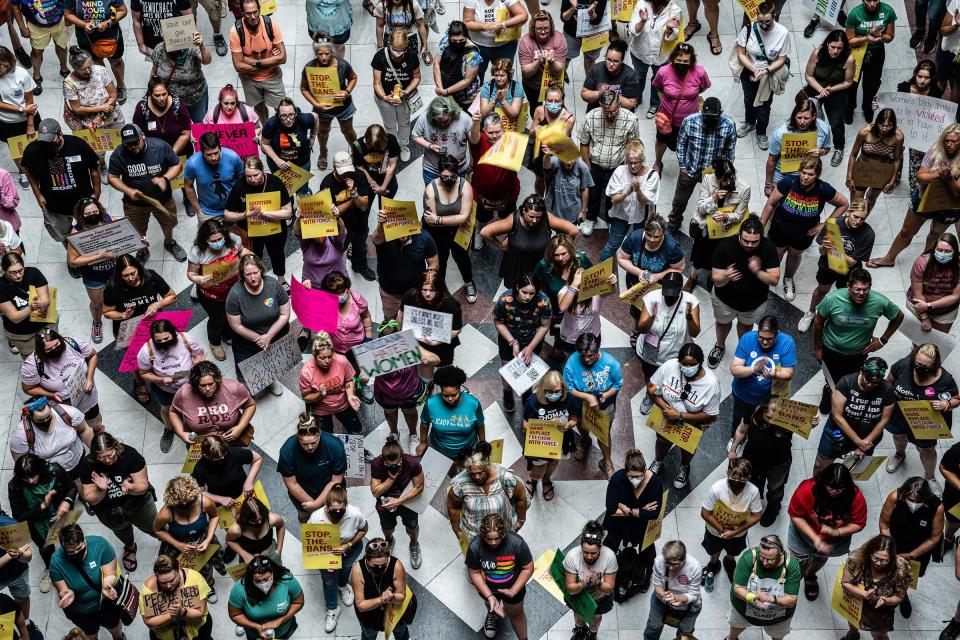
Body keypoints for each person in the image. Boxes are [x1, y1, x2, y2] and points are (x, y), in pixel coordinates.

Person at [812, 268, 904, 414]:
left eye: (865, 290)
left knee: (853, 379)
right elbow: (818, 322)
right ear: (848, 286)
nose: (861, 293)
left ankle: (845, 396)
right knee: (831, 377)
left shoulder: (879, 302)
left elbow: (898, 316)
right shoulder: (832, 299)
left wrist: (882, 340)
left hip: (858, 353)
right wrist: (817, 347)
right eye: (857, 289)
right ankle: (829, 392)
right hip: (831, 349)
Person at [869, 124, 960, 268]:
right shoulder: (936, 150)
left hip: (950, 205)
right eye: (947, 140)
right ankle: (889, 258)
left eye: (954, 141)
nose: (949, 144)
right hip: (925, 198)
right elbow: (920, 176)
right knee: (906, 231)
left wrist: (949, 178)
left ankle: (925, 262)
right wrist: (937, 173)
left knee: (935, 233)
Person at [760, 156, 849, 302]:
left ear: (817, 175)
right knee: (776, 253)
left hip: (804, 233)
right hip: (780, 228)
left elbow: (843, 204)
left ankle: (788, 279)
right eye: (803, 172)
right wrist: (761, 224)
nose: (806, 177)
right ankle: (768, 279)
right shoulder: (788, 182)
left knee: (794, 255)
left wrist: (824, 225)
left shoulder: (822, 188)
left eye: (810, 174)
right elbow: (771, 203)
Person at [707, 216, 780, 369]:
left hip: (754, 302)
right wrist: (727, 275)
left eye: (754, 242)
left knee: (746, 326)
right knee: (722, 322)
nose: (749, 245)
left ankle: (743, 348)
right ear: (740, 234)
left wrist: (758, 271)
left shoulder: (768, 247)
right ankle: (720, 346)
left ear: (761, 237)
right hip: (724, 300)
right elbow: (716, 279)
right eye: (745, 240)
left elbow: (774, 280)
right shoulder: (725, 245)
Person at [884, 344, 959, 492]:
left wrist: (946, 404)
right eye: (917, 363)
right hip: (899, 415)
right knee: (899, 437)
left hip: (925, 421)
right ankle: (899, 455)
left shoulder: (945, 379)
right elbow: (888, 382)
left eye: (925, 366)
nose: (919, 367)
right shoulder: (903, 365)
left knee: (927, 450)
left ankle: (930, 476)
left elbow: (957, 399)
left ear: (935, 364)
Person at [787, 463, 866, 601]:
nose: (834, 491)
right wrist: (815, 538)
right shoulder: (807, 489)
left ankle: (810, 575)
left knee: (820, 558)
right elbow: (795, 514)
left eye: (839, 489)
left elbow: (859, 523)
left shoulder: (855, 497)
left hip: (834, 540)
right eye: (830, 487)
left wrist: (837, 532)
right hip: (803, 534)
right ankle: (793, 578)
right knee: (797, 560)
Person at [108, 123, 187, 262]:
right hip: (135, 204)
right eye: (128, 144)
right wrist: (128, 190)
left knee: (168, 223)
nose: (132, 147)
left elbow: (176, 164)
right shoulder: (119, 154)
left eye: (135, 142)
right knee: (136, 230)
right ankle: (142, 250)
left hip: (163, 199)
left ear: (142, 136)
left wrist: (165, 178)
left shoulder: (159, 146)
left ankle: (169, 243)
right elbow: (112, 177)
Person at [647, 343, 720, 489]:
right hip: (666, 416)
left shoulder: (711, 384)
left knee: (687, 447)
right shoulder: (669, 366)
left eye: (692, 364)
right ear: (678, 361)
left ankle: (684, 467)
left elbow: (709, 414)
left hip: (692, 423)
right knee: (661, 440)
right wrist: (663, 406)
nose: (687, 367)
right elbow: (652, 387)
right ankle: (658, 460)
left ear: (700, 362)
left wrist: (680, 416)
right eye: (684, 364)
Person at [798, 200, 875, 332]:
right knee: (821, 289)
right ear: (848, 212)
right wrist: (825, 246)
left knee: (846, 294)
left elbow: (851, 262)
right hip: (827, 265)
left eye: (862, 219)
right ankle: (810, 313)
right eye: (855, 216)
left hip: (850, 272)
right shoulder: (833, 224)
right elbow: (821, 251)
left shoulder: (868, 234)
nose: (858, 221)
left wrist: (833, 249)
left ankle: (836, 319)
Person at [21, 119, 100, 248]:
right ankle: (72, 254)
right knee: (63, 236)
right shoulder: (32, 150)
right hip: (54, 205)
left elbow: (94, 168)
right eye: (44, 140)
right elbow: (30, 172)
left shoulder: (78, 145)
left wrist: (96, 192)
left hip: (82, 202)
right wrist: (38, 194)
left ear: (60, 134)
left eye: (51, 139)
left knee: (90, 231)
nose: (47, 144)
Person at [731, 399, 807, 527]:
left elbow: (806, 424)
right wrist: (733, 449)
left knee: (775, 488)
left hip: (778, 461)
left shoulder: (789, 417)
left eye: (776, 417)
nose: (773, 421)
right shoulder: (752, 411)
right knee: (749, 482)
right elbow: (741, 430)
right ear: (762, 411)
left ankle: (773, 509)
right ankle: (751, 502)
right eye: (769, 417)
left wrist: (812, 423)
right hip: (752, 457)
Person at [814, 357, 895, 475]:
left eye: (875, 383)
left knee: (856, 470)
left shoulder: (887, 390)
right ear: (862, 371)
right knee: (820, 465)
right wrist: (859, 442)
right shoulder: (846, 383)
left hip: (868, 438)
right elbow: (838, 416)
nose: (870, 385)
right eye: (867, 380)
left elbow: (883, 421)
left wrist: (864, 444)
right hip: (837, 432)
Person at [667, 95, 736, 233]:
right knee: (679, 201)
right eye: (707, 117)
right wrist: (682, 165)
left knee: (714, 201)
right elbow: (680, 143)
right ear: (702, 111)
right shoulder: (689, 121)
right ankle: (674, 222)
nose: (710, 121)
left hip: (714, 173)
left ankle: (708, 228)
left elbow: (730, 150)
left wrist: (725, 173)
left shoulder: (729, 125)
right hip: (691, 169)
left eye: (714, 118)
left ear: (721, 112)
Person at [878, 476, 944, 618]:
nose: (913, 503)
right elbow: (884, 524)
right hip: (893, 543)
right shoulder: (896, 497)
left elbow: (934, 538)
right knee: (886, 568)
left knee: (908, 575)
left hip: (918, 551)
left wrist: (910, 555)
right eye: (910, 499)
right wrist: (891, 549)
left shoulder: (936, 508)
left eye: (917, 501)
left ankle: (903, 594)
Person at [481, 194, 578, 288]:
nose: (534, 221)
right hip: (518, 263)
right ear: (524, 211)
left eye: (538, 217)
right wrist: (500, 245)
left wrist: (560, 245)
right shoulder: (513, 220)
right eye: (531, 217)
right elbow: (485, 232)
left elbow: (573, 230)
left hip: (540, 261)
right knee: (518, 289)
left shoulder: (547, 218)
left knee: (540, 287)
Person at [307, 484, 369, 633]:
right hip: (326, 552)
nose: (338, 513)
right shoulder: (316, 518)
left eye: (341, 509)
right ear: (327, 506)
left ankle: (343, 585)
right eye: (334, 510)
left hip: (350, 549)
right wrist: (323, 560)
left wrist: (348, 544)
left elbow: (364, 529)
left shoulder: (354, 514)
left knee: (346, 568)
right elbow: (310, 542)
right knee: (328, 580)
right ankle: (332, 609)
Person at [577, 90, 640, 235]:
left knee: (613, 195)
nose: (609, 115)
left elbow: (632, 145)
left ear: (619, 104)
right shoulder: (591, 117)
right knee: (593, 193)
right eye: (606, 111)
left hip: (617, 165)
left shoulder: (630, 120)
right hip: (595, 164)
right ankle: (591, 218)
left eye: (613, 111)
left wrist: (626, 168)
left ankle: (611, 220)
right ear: (600, 106)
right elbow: (584, 143)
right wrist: (587, 166)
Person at [187, 219, 251, 361]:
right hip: (211, 295)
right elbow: (191, 273)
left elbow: (242, 251)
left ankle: (228, 335)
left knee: (232, 313)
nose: (217, 243)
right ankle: (215, 342)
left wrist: (249, 257)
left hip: (233, 288)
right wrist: (198, 279)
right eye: (213, 240)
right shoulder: (198, 252)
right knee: (217, 319)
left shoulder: (233, 240)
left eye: (219, 239)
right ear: (205, 240)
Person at [190, 436, 264, 559]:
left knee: (253, 520)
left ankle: (255, 540)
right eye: (218, 458)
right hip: (222, 503)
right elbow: (199, 491)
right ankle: (233, 544)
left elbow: (257, 459)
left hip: (244, 495)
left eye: (224, 454)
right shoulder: (201, 467)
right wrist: (220, 499)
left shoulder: (234, 453)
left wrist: (249, 481)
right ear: (206, 455)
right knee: (230, 527)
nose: (223, 458)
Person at [8, 452, 73, 591]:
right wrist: (43, 506)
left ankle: (72, 560)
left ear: (40, 469)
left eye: (33, 475)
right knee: (45, 547)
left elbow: (71, 487)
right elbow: (19, 516)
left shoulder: (54, 471)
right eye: (26, 478)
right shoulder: (15, 486)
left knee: (68, 538)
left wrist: (67, 501)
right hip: (36, 524)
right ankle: (51, 568)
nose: (31, 481)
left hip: (61, 516)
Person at [137, 319, 205, 452]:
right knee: (167, 410)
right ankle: (169, 429)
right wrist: (160, 379)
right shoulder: (146, 351)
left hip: (191, 385)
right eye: (159, 340)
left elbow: (199, 354)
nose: (163, 342)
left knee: (196, 407)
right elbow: (143, 373)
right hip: (165, 389)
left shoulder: (186, 339)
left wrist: (198, 362)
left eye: (166, 338)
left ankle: (197, 429)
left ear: (174, 333)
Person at [226, 254, 290, 393]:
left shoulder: (273, 285)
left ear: (261, 270)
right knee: (244, 370)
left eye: (255, 273)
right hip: (246, 341)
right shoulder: (235, 295)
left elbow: (285, 314)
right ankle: (246, 392)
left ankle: (271, 380)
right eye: (248, 274)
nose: (253, 277)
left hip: (274, 335)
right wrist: (259, 339)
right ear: (242, 275)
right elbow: (235, 325)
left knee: (271, 360)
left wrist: (268, 336)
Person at [604, 449, 663, 598]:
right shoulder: (617, 479)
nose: (635, 480)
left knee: (648, 551)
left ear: (645, 471)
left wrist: (628, 510)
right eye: (631, 477)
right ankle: (606, 570)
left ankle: (646, 575)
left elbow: (654, 513)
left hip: (643, 526)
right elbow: (611, 508)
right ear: (625, 472)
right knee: (611, 544)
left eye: (639, 477)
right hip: (619, 524)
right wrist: (639, 511)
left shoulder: (655, 482)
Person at [686, 158, 750, 293]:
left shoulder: (744, 188)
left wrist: (727, 216)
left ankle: (712, 277)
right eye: (724, 180)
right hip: (707, 227)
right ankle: (693, 278)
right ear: (717, 177)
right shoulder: (708, 180)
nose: (728, 182)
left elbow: (739, 215)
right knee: (699, 257)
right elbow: (701, 209)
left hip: (727, 230)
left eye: (731, 178)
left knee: (720, 258)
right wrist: (713, 198)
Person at [466, 513, 534, 640]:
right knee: (490, 604)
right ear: (482, 535)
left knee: (516, 614)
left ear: (503, 533)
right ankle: (492, 614)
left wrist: (513, 591)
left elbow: (528, 568)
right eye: (488, 539)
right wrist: (489, 596)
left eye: (497, 538)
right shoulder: (475, 547)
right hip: (488, 588)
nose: (493, 543)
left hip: (514, 586)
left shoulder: (516, 543)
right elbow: (474, 573)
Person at [21, 328, 103, 434]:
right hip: (63, 408)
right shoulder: (32, 365)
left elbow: (92, 355)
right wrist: (51, 394)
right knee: (72, 429)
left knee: (95, 421)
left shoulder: (73, 343)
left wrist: (89, 378)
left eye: (57, 345)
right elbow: (28, 388)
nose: (55, 349)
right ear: (41, 351)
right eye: (49, 349)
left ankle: (99, 434)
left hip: (87, 398)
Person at [49, 524, 123, 640]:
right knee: (90, 633)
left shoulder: (99, 545)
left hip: (106, 601)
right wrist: (68, 593)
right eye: (71, 552)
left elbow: (110, 573)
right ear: (64, 549)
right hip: (81, 610)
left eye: (79, 548)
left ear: (84, 541)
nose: (76, 553)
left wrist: (106, 584)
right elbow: (62, 589)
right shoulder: (56, 561)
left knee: (114, 624)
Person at [152, 475, 221, 599]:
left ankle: (208, 586)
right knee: (176, 569)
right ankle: (181, 587)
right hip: (176, 543)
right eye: (180, 505)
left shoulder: (204, 502)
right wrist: (178, 544)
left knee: (206, 566)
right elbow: (157, 530)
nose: (185, 506)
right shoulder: (166, 512)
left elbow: (214, 517)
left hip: (202, 538)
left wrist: (208, 539)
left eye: (189, 503)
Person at [734, 2, 791, 151]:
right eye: (760, 21)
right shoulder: (747, 29)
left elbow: (781, 59)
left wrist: (765, 71)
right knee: (749, 99)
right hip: (750, 70)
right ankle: (749, 122)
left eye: (768, 21)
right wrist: (753, 69)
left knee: (764, 105)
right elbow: (740, 54)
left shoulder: (782, 32)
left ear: (774, 16)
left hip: (768, 73)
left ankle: (761, 132)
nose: (764, 25)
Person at [563, 334, 622, 477]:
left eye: (590, 356)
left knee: (603, 433)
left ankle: (607, 462)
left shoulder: (611, 363)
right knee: (582, 425)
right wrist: (588, 397)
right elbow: (569, 387)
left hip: (603, 404)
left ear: (597, 350)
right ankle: (585, 441)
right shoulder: (572, 362)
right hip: (579, 402)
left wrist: (604, 396)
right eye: (583, 356)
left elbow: (617, 384)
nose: (587, 360)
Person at [132, 76, 194, 212]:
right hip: (154, 153)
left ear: (168, 92)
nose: (161, 98)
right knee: (158, 178)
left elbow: (186, 132)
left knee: (182, 175)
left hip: (179, 148)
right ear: (150, 94)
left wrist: (170, 153)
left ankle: (187, 197)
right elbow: (138, 133)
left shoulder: (177, 105)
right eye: (157, 95)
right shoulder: (142, 108)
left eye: (164, 94)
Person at [700, 458, 763, 588]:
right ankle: (713, 564)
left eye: (742, 480)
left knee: (733, 552)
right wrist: (722, 531)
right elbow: (705, 513)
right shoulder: (716, 489)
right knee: (713, 550)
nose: (737, 483)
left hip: (738, 533)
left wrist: (734, 532)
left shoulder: (753, 492)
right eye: (734, 478)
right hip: (714, 530)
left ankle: (729, 562)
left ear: (748, 477)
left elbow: (757, 516)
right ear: (728, 473)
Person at [728, 314, 796, 436]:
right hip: (743, 394)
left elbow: (788, 373)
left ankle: (755, 438)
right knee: (739, 418)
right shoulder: (747, 339)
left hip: (768, 398)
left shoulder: (787, 342)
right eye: (761, 337)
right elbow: (735, 369)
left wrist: (774, 373)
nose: (764, 342)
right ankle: (735, 436)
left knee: (764, 420)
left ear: (777, 333)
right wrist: (755, 368)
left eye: (769, 339)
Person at [726, 533, 801, 640]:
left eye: (770, 559)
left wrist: (771, 599)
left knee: (777, 636)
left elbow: (791, 600)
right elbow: (738, 589)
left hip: (777, 618)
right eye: (762, 557)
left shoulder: (791, 566)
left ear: (780, 555)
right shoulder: (750, 557)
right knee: (735, 628)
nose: (765, 563)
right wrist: (755, 599)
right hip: (743, 611)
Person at [66, 197, 120, 343]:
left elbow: (126, 233)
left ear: (100, 210)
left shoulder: (109, 220)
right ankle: (97, 323)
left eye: (95, 211)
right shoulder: (76, 231)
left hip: (115, 271)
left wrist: (140, 239)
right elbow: (72, 261)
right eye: (88, 214)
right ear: (81, 215)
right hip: (94, 275)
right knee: (97, 304)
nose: (92, 215)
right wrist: (99, 256)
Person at [493, 274, 551, 410]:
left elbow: (544, 325)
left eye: (532, 293)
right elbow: (499, 322)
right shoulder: (504, 301)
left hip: (533, 340)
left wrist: (530, 347)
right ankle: (507, 392)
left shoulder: (543, 301)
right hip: (508, 339)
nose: (527, 297)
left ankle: (526, 394)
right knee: (508, 373)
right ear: (517, 287)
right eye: (524, 292)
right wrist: (513, 342)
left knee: (526, 373)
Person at [447, 442, 527, 541]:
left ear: (487, 466)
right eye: (472, 474)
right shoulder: (460, 485)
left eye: (480, 473)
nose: (477, 477)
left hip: (503, 532)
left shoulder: (505, 479)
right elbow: (453, 507)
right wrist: (457, 530)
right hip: (475, 536)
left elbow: (521, 498)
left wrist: (520, 521)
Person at [651, 43, 711, 173]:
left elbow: (705, 86)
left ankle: (685, 165)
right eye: (679, 60)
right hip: (667, 118)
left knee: (689, 144)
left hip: (690, 121)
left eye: (685, 61)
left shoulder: (699, 72)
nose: (682, 63)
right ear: (673, 59)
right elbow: (657, 86)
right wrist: (665, 99)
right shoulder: (663, 71)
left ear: (691, 61)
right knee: (662, 141)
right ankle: (657, 162)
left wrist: (693, 94)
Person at [278, 411, 347, 523]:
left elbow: (336, 480)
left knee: (335, 517)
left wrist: (316, 505)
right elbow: (292, 484)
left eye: (314, 442)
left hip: (332, 492)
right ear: (298, 437)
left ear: (319, 434)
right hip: (302, 494)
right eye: (305, 444)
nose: (310, 447)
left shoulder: (334, 446)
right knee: (305, 517)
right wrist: (314, 507)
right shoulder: (287, 451)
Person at [299, 40, 357, 170]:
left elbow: (353, 77)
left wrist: (346, 92)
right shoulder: (310, 68)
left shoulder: (342, 65)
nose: (324, 57)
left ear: (332, 52)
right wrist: (315, 104)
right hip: (322, 108)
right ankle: (323, 153)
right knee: (323, 131)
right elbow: (303, 88)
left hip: (343, 106)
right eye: (320, 54)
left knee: (347, 131)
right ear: (315, 53)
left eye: (327, 53)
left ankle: (356, 151)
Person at [61, 47, 123, 169]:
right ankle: (103, 166)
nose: (89, 71)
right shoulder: (69, 84)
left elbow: (113, 95)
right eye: (83, 69)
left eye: (90, 66)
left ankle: (122, 161)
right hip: (91, 123)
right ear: (75, 69)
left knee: (121, 139)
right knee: (98, 149)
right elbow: (76, 108)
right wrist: (101, 108)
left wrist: (101, 115)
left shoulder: (100, 71)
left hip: (112, 114)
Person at [169, 360, 257, 446]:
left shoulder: (234, 388)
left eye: (211, 384)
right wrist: (181, 433)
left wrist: (240, 427)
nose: (207, 389)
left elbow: (250, 405)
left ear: (217, 380)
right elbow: (173, 412)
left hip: (231, 440)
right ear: (195, 384)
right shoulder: (184, 393)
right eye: (203, 385)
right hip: (200, 444)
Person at [422, 154, 475, 297]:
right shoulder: (431, 190)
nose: (449, 179)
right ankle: (441, 287)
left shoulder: (465, 186)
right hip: (437, 232)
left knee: (462, 256)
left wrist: (439, 219)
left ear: (457, 173)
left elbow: (464, 217)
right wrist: (446, 220)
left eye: (452, 176)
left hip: (459, 230)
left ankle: (468, 282)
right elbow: (430, 220)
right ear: (439, 173)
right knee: (441, 259)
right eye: (445, 176)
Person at [372, 211, 439, 321]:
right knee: (390, 319)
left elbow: (434, 263)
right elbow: (377, 238)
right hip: (390, 293)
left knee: (412, 320)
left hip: (415, 293)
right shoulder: (384, 236)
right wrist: (381, 224)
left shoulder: (424, 237)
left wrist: (426, 283)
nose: (402, 235)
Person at [600, 139, 660, 262]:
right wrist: (627, 191)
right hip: (621, 215)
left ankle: (634, 274)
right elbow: (614, 199)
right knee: (612, 245)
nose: (633, 166)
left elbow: (644, 201)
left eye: (636, 162)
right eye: (630, 163)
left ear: (642, 160)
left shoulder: (652, 176)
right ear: (626, 161)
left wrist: (638, 190)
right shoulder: (620, 171)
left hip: (642, 218)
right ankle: (599, 274)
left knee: (638, 247)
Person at [521, 370, 578, 501]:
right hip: (540, 443)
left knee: (553, 462)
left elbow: (574, 420)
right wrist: (546, 425)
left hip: (560, 441)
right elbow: (525, 424)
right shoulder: (533, 402)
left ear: (563, 388)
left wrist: (567, 424)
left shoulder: (569, 399)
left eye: (557, 391)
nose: (554, 395)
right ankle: (533, 479)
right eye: (550, 392)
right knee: (538, 468)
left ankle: (547, 480)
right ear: (543, 389)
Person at [841, 535, 910, 640]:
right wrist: (864, 594)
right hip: (856, 602)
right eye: (875, 557)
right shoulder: (857, 559)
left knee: (879, 635)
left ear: (891, 558)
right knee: (852, 621)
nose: (878, 563)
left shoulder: (900, 569)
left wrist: (886, 600)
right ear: (869, 552)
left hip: (881, 611)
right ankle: (853, 634)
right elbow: (845, 582)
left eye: (884, 560)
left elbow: (900, 596)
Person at [803, 29, 855, 166]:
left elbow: (848, 82)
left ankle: (839, 148)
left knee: (836, 122)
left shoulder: (849, 59)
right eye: (833, 47)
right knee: (809, 118)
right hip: (815, 88)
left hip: (837, 93)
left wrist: (831, 89)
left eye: (839, 48)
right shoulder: (818, 53)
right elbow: (808, 75)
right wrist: (820, 89)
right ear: (827, 44)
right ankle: (810, 143)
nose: (835, 51)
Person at [229, 0, 286, 124]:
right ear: (242, 13)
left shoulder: (270, 24)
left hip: (272, 76)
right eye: (248, 14)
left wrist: (255, 62)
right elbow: (238, 66)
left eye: (255, 12)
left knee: (281, 108)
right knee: (259, 106)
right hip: (250, 80)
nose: (253, 17)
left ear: (259, 10)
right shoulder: (236, 31)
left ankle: (281, 130)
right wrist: (270, 61)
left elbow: (283, 57)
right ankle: (266, 128)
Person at [320, 152, 375, 282]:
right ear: (334, 168)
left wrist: (354, 193)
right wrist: (352, 199)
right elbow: (332, 213)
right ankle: (337, 272)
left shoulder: (359, 176)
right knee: (338, 251)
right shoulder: (327, 184)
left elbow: (363, 206)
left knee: (360, 246)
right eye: (342, 172)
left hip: (360, 222)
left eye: (348, 171)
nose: (346, 175)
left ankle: (359, 265)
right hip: (340, 226)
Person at [635, 271, 700, 381]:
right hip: (651, 353)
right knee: (650, 376)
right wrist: (652, 317)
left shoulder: (690, 301)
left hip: (675, 355)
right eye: (666, 295)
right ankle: (650, 394)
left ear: (680, 290)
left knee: (671, 379)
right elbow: (641, 329)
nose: (669, 299)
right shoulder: (652, 298)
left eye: (673, 296)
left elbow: (694, 333)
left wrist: (689, 317)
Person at [370, 437, 424, 567]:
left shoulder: (411, 462)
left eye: (397, 463)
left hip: (408, 500)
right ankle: (389, 540)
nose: (394, 466)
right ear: (383, 460)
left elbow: (419, 487)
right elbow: (375, 492)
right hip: (385, 502)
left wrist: (398, 501)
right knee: (388, 528)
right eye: (389, 464)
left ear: (401, 457)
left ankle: (414, 544)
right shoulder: (376, 464)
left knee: (412, 526)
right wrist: (390, 479)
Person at [64, 0, 128, 105]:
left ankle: (120, 86)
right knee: (95, 63)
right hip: (86, 38)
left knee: (116, 61)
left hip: (110, 36)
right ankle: (105, 85)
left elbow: (122, 10)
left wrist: (108, 23)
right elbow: (68, 13)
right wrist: (84, 24)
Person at [351, 537, 416, 640]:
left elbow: (401, 596)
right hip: (369, 615)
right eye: (375, 565)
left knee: (401, 631)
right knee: (368, 635)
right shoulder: (358, 570)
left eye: (384, 565)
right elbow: (361, 605)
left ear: (388, 558)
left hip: (394, 611)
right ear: (367, 560)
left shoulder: (396, 566)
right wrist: (381, 599)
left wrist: (392, 597)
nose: (380, 568)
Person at [102, 253, 176, 343]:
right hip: (128, 327)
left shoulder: (150, 277)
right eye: (125, 276)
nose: (131, 278)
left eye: (133, 273)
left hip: (152, 322)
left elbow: (172, 296)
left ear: (138, 268)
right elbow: (107, 312)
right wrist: (123, 315)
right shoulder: (113, 285)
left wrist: (158, 304)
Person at [764, 97, 832, 195]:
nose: (802, 122)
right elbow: (772, 159)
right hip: (782, 175)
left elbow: (827, 147)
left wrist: (822, 152)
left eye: (806, 118)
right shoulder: (781, 133)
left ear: (814, 117)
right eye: (799, 117)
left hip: (806, 176)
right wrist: (768, 185)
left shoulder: (823, 129)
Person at [399, 269, 462, 375]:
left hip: (441, 344)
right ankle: (426, 384)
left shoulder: (450, 304)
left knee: (443, 367)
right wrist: (403, 337)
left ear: (439, 289)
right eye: (424, 289)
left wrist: (436, 341)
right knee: (424, 365)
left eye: (432, 290)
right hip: (416, 340)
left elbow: (456, 329)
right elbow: (400, 315)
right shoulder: (410, 295)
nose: (427, 294)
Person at [415, 365, 485, 460]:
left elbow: (480, 424)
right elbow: (424, 423)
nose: (450, 399)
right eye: (445, 395)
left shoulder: (473, 403)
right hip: (439, 450)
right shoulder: (431, 403)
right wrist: (423, 442)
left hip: (467, 451)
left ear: (460, 389)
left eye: (454, 395)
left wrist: (482, 442)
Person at [299, 331, 363, 434]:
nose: (327, 361)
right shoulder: (306, 372)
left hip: (343, 405)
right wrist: (320, 395)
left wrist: (350, 395)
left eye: (329, 356)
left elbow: (348, 381)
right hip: (321, 411)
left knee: (356, 431)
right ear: (314, 356)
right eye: (322, 358)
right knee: (326, 437)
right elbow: (306, 396)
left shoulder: (341, 361)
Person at [844, 0, 897, 124]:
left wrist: (881, 37)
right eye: (868, 0)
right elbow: (850, 40)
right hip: (857, 51)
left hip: (876, 51)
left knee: (871, 83)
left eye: (875, 0)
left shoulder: (888, 11)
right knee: (852, 82)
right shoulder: (855, 13)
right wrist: (866, 38)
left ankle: (868, 108)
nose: (872, 4)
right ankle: (849, 108)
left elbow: (890, 36)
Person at [628, 0, 682, 119]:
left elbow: (673, 36)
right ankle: (637, 99)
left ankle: (655, 104)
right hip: (639, 53)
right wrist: (642, 21)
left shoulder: (675, 9)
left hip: (661, 56)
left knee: (658, 80)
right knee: (638, 77)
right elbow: (632, 30)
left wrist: (668, 29)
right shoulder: (641, 4)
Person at [9, 396, 92, 474]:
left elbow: (84, 430)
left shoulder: (67, 412)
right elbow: (22, 463)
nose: (46, 421)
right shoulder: (21, 435)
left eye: (49, 416)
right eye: (41, 420)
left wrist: (96, 451)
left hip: (78, 460)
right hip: (50, 474)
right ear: (30, 416)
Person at [564, 520, 617, 640]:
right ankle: (580, 629)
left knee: (596, 616)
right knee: (578, 613)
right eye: (585, 552)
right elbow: (571, 589)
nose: (589, 556)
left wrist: (598, 582)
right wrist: (583, 583)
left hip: (600, 597)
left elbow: (608, 589)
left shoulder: (609, 557)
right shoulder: (572, 556)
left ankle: (592, 633)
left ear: (600, 548)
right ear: (580, 546)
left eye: (594, 553)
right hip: (579, 594)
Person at [371, 32, 420, 163]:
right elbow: (377, 82)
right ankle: (392, 144)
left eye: (401, 50)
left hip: (404, 98)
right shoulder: (380, 57)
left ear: (406, 46)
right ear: (389, 44)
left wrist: (406, 91)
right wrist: (384, 97)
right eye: (395, 50)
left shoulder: (411, 56)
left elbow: (416, 77)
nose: (398, 53)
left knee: (404, 123)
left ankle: (403, 145)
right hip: (385, 98)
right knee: (390, 124)